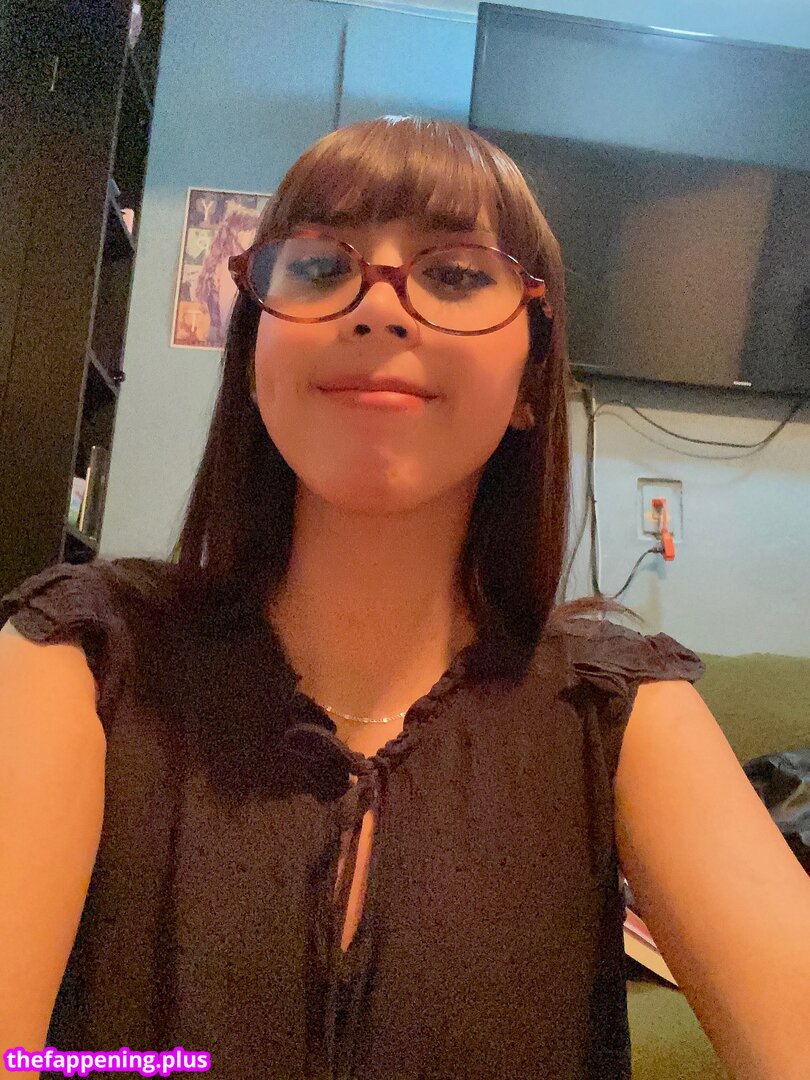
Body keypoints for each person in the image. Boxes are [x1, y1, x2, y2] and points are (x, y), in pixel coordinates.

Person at [1, 116, 808, 1080]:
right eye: (318, 268)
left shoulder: (619, 711)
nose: (378, 313)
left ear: (531, 379)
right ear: (254, 356)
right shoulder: (79, 657)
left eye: (456, 275)